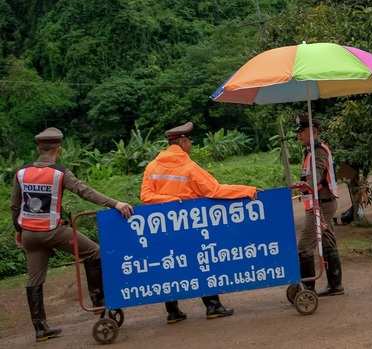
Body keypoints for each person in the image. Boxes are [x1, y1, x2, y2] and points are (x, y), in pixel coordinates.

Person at [11, 127, 133, 343]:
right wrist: (115, 203)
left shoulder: (21, 173)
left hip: (29, 233)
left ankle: (40, 329)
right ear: (58, 149)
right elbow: (85, 191)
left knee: (34, 279)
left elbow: (15, 206)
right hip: (53, 231)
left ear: (39, 149)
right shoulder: (59, 173)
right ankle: (98, 300)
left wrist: (19, 231)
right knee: (94, 252)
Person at [140, 121, 258, 324]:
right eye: (190, 140)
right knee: (203, 264)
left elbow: (145, 196)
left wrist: (168, 201)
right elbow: (215, 190)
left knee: (171, 266)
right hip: (190, 227)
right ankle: (213, 306)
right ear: (183, 141)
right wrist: (248, 190)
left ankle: (173, 312)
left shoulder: (152, 167)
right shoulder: (189, 167)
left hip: (164, 230)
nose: (191, 144)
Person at [295, 113, 344, 297]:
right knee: (328, 241)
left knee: (305, 246)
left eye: (302, 131)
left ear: (313, 131)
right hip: (321, 203)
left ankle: (308, 289)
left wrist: (306, 182)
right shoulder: (309, 151)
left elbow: (315, 175)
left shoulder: (318, 151)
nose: (298, 134)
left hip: (322, 205)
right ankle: (335, 285)